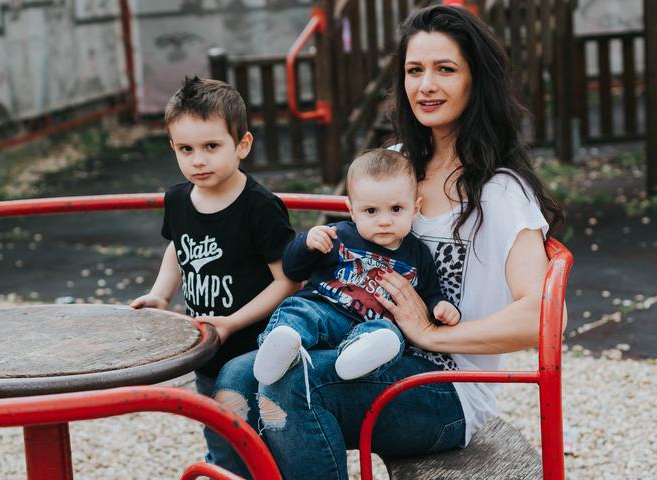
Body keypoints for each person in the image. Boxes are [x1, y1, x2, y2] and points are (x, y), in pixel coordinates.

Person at [208, 5, 565, 479]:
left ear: (476, 80)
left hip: (446, 386)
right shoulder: (394, 164)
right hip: (356, 341)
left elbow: (542, 318)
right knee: (236, 375)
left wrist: (431, 334)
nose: (426, 85)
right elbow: (338, 257)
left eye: (445, 69)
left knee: (295, 386)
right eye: (415, 70)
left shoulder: (499, 192)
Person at [129, 76, 298, 463]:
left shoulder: (259, 207)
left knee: (266, 446)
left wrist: (233, 323)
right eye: (185, 149)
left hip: (257, 355)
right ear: (172, 147)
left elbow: (287, 280)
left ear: (242, 145)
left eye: (211, 146)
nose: (198, 160)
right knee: (223, 442)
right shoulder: (177, 200)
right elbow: (179, 247)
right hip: (207, 349)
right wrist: (160, 294)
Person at [253, 149, 461, 393]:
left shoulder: (418, 254)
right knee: (300, 311)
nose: (384, 221)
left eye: (396, 209)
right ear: (352, 210)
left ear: (415, 209)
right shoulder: (338, 235)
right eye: (371, 211)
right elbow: (292, 270)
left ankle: (357, 360)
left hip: (370, 327)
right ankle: (280, 348)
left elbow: (430, 293)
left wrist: (440, 307)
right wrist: (306, 244)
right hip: (326, 310)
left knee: (390, 335)